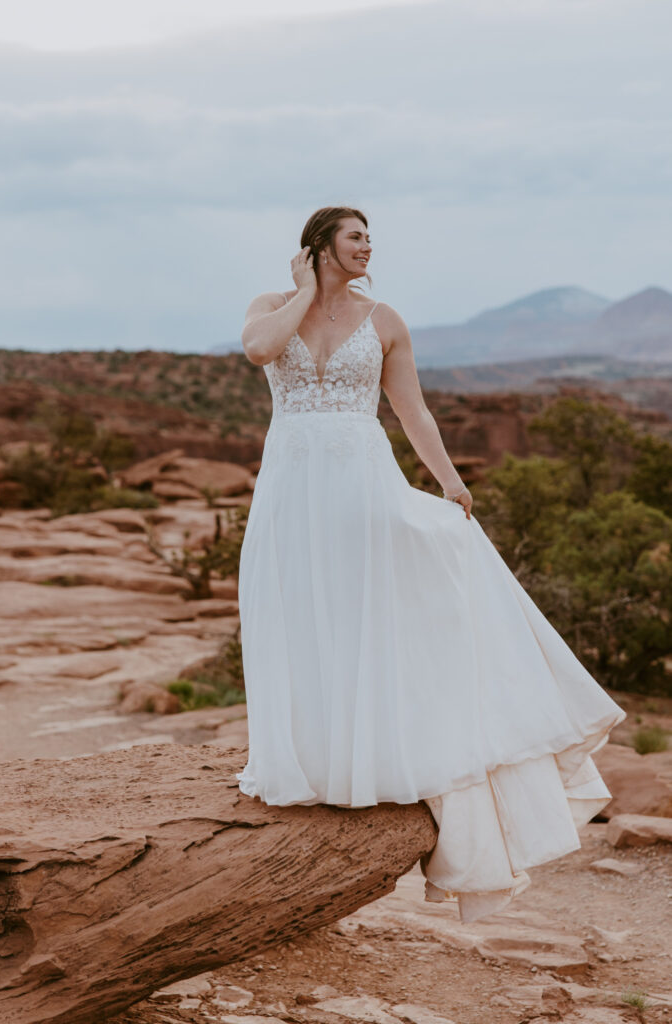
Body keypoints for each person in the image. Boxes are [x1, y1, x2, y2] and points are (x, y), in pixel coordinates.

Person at [235, 205, 626, 923]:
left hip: (360, 478)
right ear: (321, 245)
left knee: (367, 608)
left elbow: (413, 411)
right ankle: (310, 762)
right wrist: (301, 290)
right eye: (354, 237)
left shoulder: (384, 320)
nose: (368, 247)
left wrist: (447, 480)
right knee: (296, 609)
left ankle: (373, 759)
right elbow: (261, 351)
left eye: (367, 238)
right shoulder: (270, 307)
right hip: (291, 484)